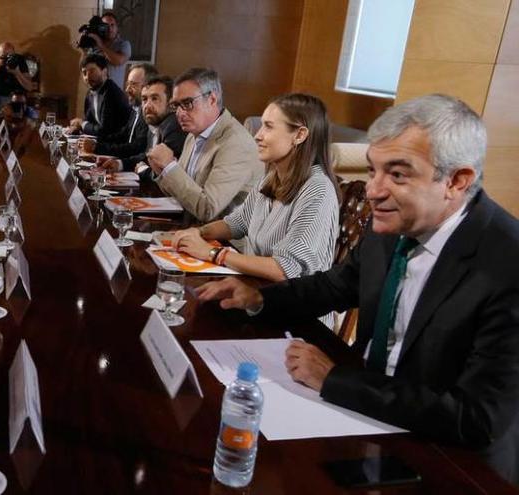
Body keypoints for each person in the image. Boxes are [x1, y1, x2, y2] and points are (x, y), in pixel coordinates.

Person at [197, 94, 519, 485]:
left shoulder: (506, 262)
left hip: (449, 463)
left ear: (456, 181)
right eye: (373, 171)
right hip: (365, 421)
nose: (373, 191)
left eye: (397, 175)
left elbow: (476, 417)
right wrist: (260, 298)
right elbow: (336, 285)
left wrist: (334, 380)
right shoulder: (393, 225)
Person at [171, 93, 340, 283]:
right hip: (257, 292)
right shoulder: (271, 178)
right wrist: (198, 233)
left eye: (268, 126)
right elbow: (236, 223)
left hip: (294, 309)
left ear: (300, 135)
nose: (257, 136)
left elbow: (284, 269)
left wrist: (212, 253)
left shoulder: (318, 190)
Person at [146, 67, 262, 222]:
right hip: (191, 228)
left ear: (212, 100)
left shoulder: (237, 144)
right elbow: (184, 197)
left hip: (226, 242)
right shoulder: (193, 134)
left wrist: (169, 167)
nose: (180, 113)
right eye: (176, 105)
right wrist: (162, 172)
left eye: (187, 103)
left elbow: (208, 209)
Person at [99, 75, 187, 177]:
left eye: (154, 98)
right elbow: (147, 156)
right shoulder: (153, 123)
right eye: (144, 99)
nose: (147, 106)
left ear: (171, 103)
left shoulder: (174, 126)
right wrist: (119, 163)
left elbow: (161, 172)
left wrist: (142, 169)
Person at [81, 63, 156, 157]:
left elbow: (136, 148)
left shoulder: (149, 114)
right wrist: (96, 142)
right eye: (127, 84)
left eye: (133, 84)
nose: (127, 89)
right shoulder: (136, 109)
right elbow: (122, 135)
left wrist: (97, 148)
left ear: (149, 86)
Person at [67, 53, 131, 141]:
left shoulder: (111, 92)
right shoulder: (90, 93)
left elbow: (105, 130)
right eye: (84, 73)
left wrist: (82, 124)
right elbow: (89, 121)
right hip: (101, 141)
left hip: (116, 145)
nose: (87, 77)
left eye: (92, 71)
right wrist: (78, 127)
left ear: (104, 71)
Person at [0, 42, 33, 116]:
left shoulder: (19, 60)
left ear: (14, 54)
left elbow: (29, 87)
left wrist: (17, 72)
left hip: (15, 99)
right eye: (3, 57)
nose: (6, 60)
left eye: (9, 56)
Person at [85, 11, 132, 90]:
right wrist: (84, 51)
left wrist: (101, 46)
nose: (110, 28)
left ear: (117, 27)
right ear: (100, 28)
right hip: (96, 92)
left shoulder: (124, 44)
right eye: (105, 26)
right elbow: (84, 68)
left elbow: (118, 61)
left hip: (114, 94)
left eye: (112, 25)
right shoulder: (94, 45)